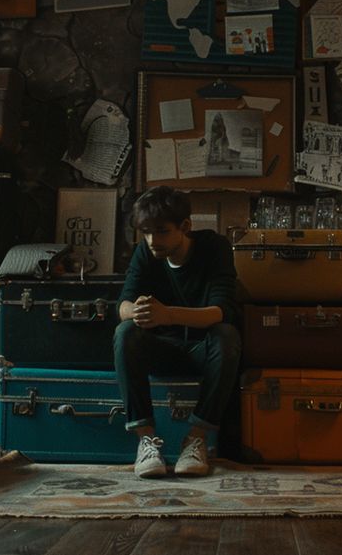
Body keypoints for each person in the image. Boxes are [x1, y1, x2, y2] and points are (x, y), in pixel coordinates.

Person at [114, 186, 241, 478]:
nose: (152, 240)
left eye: (161, 231)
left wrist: (167, 313)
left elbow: (221, 311)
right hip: (161, 348)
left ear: (185, 227)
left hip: (202, 350)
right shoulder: (145, 251)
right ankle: (146, 443)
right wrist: (138, 311)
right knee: (125, 332)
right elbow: (122, 304)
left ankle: (196, 439)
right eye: (145, 232)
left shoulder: (214, 247)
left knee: (228, 336)